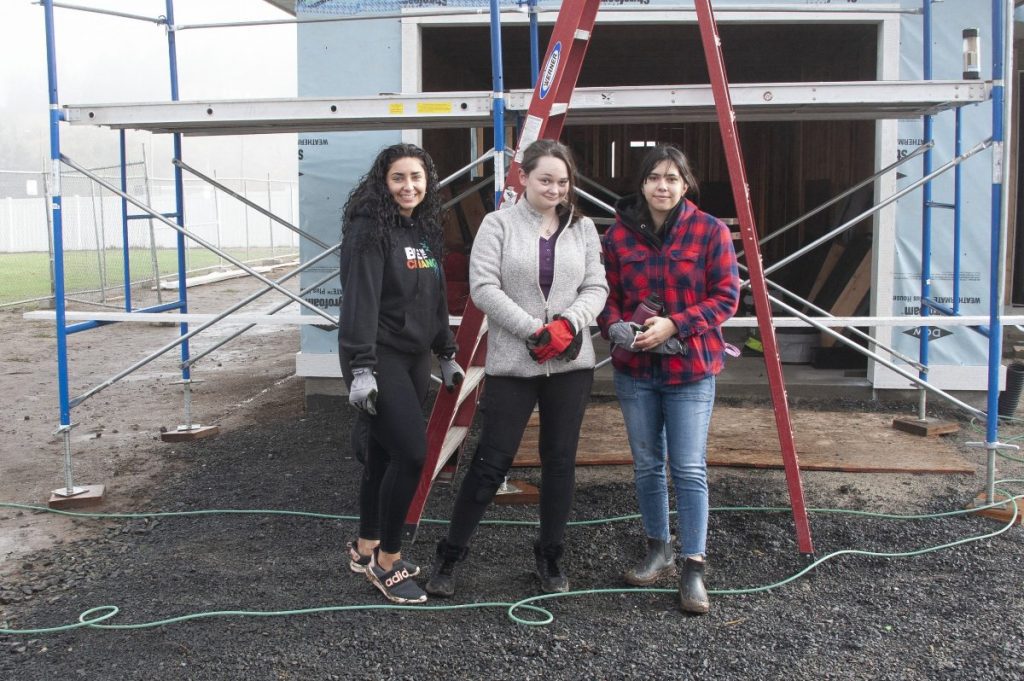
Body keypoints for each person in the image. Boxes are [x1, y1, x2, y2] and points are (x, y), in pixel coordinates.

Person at [425, 139, 608, 597]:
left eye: (563, 182)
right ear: (523, 177)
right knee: (492, 460)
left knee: (560, 461)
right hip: (513, 364)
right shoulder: (498, 224)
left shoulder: (583, 228)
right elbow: (484, 287)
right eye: (545, 179)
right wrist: (533, 330)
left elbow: (597, 286)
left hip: (570, 364)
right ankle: (449, 555)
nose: (555, 188)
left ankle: (550, 556)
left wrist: (568, 324)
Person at [597, 144, 739, 615]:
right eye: (655, 177)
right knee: (646, 465)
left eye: (673, 178)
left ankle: (693, 568)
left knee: (689, 467)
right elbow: (607, 295)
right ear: (641, 183)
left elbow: (726, 298)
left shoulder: (710, 231)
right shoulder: (618, 237)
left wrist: (676, 324)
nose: (663, 186)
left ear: (686, 184)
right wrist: (614, 325)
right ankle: (658, 548)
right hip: (635, 371)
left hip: (690, 369)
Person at [338, 143, 464, 605]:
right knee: (412, 453)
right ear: (382, 182)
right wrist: (362, 368)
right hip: (379, 356)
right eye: (398, 178)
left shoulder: (424, 231)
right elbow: (360, 302)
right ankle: (387, 563)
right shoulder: (369, 231)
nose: (408, 186)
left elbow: (432, 300)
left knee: (382, 454)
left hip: (413, 359)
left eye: (416, 177)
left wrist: (445, 352)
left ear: (427, 182)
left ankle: (366, 544)